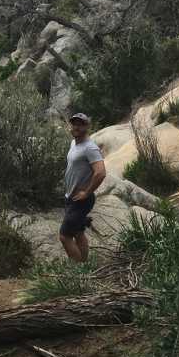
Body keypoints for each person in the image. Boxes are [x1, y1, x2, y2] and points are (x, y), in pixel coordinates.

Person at [60, 113, 106, 263]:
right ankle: (85, 265)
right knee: (78, 232)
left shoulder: (90, 148)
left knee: (64, 236)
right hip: (71, 197)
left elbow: (100, 173)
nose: (76, 127)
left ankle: (78, 271)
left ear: (87, 126)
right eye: (74, 124)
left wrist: (86, 192)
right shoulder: (74, 143)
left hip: (81, 200)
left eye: (80, 124)